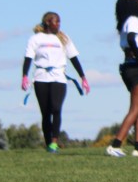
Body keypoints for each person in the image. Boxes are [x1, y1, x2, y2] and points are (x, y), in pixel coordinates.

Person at [21, 12, 90, 152]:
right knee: (46, 113)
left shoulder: (63, 39)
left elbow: (74, 58)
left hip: (58, 77)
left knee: (56, 108)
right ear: (47, 22)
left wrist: (83, 77)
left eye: (59, 22)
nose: (58, 24)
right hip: (41, 77)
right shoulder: (35, 39)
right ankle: (48, 143)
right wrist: (25, 76)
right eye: (56, 22)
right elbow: (28, 58)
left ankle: (54, 141)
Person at [106, 0, 138, 158]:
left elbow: (135, 37)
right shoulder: (132, 20)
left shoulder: (126, 22)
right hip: (137, 64)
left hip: (128, 64)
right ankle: (115, 144)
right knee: (136, 108)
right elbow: (132, 38)